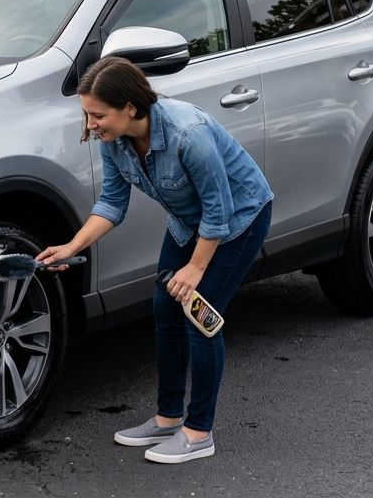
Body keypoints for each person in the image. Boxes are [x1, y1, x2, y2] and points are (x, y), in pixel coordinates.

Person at [36, 55, 273, 464]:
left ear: (130, 107)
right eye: (87, 115)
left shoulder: (187, 133)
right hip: (187, 223)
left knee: (200, 317)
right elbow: (112, 202)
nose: (91, 124)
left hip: (239, 220)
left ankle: (198, 433)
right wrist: (72, 246)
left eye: (97, 115)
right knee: (165, 308)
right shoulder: (115, 140)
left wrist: (196, 269)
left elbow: (219, 210)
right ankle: (167, 419)